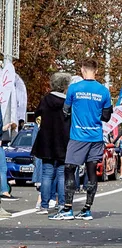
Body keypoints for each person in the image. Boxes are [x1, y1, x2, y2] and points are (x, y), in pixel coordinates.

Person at [49, 58, 112, 221]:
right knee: (92, 172)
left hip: (78, 136)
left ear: (82, 70)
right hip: (96, 137)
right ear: (96, 71)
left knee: (69, 169)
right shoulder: (104, 91)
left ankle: (68, 209)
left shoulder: (74, 88)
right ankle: (87, 209)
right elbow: (106, 116)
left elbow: (66, 110)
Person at [31, 73, 71, 215]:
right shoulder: (68, 102)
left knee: (47, 173)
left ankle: (44, 205)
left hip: (47, 140)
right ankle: (61, 204)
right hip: (63, 141)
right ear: (65, 86)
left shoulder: (46, 100)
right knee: (61, 174)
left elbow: (37, 116)